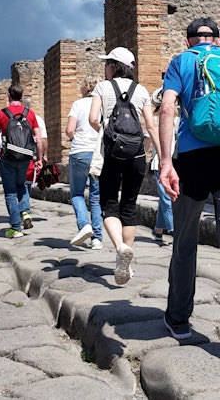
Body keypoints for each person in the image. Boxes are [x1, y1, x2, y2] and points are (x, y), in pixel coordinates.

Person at [159, 17, 220, 340]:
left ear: (188, 41)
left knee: (184, 241)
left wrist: (166, 161)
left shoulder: (181, 62)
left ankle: (179, 319)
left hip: (193, 158)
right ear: (217, 41)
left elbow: (168, 108)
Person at [89, 47, 160, 285]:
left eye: (107, 63)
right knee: (129, 205)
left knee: (109, 204)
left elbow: (92, 119)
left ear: (115, 65)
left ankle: (120, 248)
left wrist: (109, 135)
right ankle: (124, 263)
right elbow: (150, 126)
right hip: (137, 156)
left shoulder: (102, 87)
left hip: (111, 155)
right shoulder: (141, 90)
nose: (105, 67)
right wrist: (153, 152)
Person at [0, 83, 43, 238]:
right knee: (22, 185)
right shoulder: (30, 114)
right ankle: (25, 212)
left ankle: (16, 228)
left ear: (9, 96)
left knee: (10, 192)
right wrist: (39, 158)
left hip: (8, 157)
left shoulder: (2, 114)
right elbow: (38, 138)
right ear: (22, 96)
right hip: (26, 157)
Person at [66, 75, 103, 250]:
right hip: (98, 153)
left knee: (77, 193)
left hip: (79, 153)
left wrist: (75, 138)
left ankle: (84, 225)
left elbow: (69, 130)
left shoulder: (77, 105)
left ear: (84, 88)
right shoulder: (102, 104)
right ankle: (97, 238)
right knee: (96, 198)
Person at [149, 87, 176, 242]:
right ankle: (166, 229)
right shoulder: (176, 120)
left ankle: (165, 230)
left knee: (165, 197)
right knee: (165, 196)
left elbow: (147, 140)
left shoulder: (160, 120)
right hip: (166, 163)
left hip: (165, 163)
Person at [22, 97, 48, 230]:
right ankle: (25, 211)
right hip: (30, 155)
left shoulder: (12, 117)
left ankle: (20, 211)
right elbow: (42, 139)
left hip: (14, 156)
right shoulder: (37, 118)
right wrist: (43, 156)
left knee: (15, 186)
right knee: (26, 184)